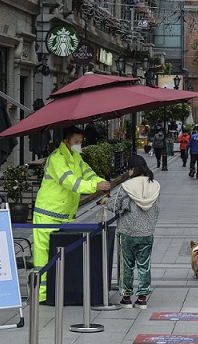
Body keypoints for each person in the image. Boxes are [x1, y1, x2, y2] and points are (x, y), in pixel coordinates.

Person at [33, 126, 111, 302]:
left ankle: (56, 290)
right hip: (47, 213)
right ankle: (41, 295)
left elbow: (89, 173)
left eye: (81, 141)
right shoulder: (57, 159)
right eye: (76, 142)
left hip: (64, 215)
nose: (79, 145)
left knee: (58, 255)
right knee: (42, 256)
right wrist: (95, 187)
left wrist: (101, 182)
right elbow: (70, 182)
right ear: (66, 141)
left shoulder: (76, 157)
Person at [104, 154, 160, 309]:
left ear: (133, 169)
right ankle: (142, 298)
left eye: (128, 169)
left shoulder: (127, 186)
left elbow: (116, 206)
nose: (127, 172)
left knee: (126, 265)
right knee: (144, 265)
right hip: (147, 232)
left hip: (127, 232)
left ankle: (127, 298)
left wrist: (106, 202)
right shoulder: (155, 185)